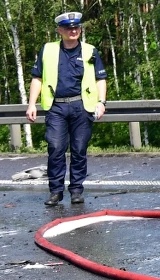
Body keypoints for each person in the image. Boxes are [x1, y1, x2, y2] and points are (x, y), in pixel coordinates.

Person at [26, 11, 108, 207]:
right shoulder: (48, 50)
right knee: (55, 148)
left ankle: (77, 190)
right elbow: (37, 78)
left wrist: (102, 102)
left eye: (77, 27)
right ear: (60, 30)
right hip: (56, 107)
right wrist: (31, 104)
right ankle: (55, 191)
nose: (73, 31)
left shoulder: (90, 50)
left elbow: (100, 79)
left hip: (82, 106)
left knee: (79, 149)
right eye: (69, 28)